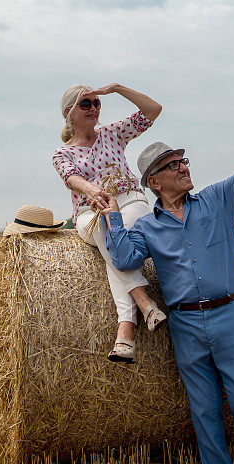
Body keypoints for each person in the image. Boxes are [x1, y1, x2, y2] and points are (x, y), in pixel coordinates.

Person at [101, 87, 234, 464]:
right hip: (186, 324)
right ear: (153, 181)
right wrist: (113, 218)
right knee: (204, 410)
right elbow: (122, 259)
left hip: (233, 315)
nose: (183, 167)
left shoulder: (219, 199)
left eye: (183, 160)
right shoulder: (147, 227)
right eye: (172, 165)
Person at [52, 83, 167, 363]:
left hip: (129, 201)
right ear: (69, 113)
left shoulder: (113, 133)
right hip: (90, 213)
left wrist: (116, 89)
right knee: (108, 231)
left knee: (115, 243)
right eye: (85, 104)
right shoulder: (61, 153)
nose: (93, 108)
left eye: (96, 103)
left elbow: (153, 110)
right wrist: (91, 191)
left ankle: (125, 329)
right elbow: (70, 178)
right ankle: (144, 302)